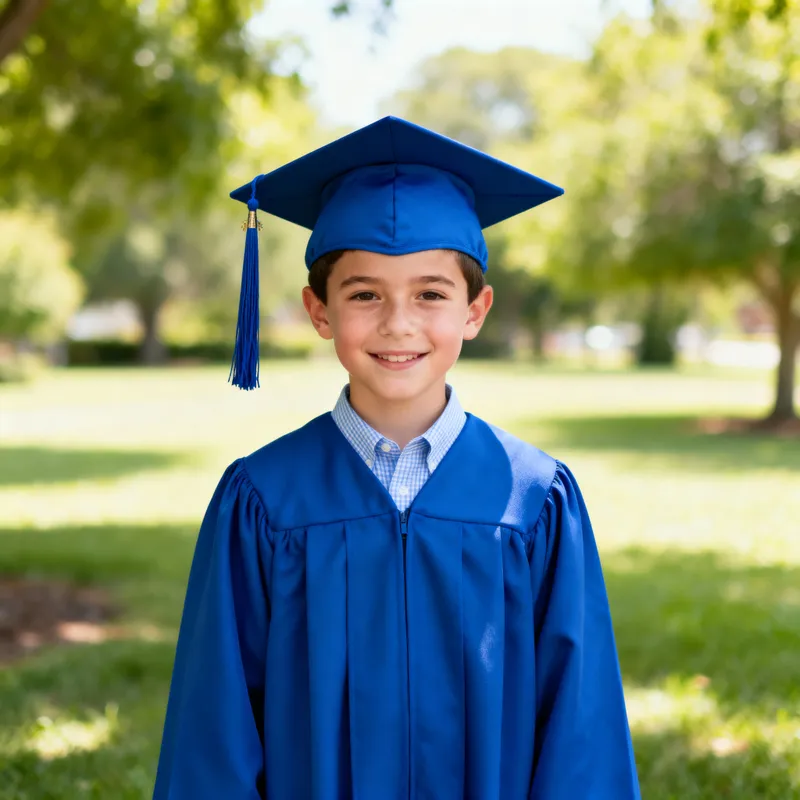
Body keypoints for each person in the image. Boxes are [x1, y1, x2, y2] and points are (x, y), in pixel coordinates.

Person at [153, 116, 640, 799]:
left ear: (476, 310)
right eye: (364, 295)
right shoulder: (262, 500)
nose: (398, 323)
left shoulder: (536, 499)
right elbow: (216, 723)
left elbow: (579, 728)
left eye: (431, 294)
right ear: (319, 312)